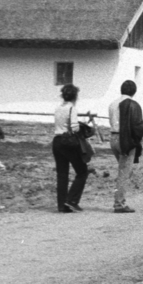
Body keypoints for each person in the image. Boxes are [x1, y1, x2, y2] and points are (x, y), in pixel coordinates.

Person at [106, 79, 143, 213]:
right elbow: (138, 126)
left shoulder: (112, 104)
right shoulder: (133, 104)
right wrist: (136, 141)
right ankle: (119, 203)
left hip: (113, 137)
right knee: (124, 172)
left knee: (123, 169)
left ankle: (119, 198)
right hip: (125, 139)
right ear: (134, 91)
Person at [53, 83, 89, 213]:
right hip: (68, 142)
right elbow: (74, 128)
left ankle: (62, 205)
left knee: (62, 174)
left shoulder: (58, 108)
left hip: (56, 141)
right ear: (75, 96)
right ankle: (72, 200)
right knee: (82, 171)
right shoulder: (71, 108)